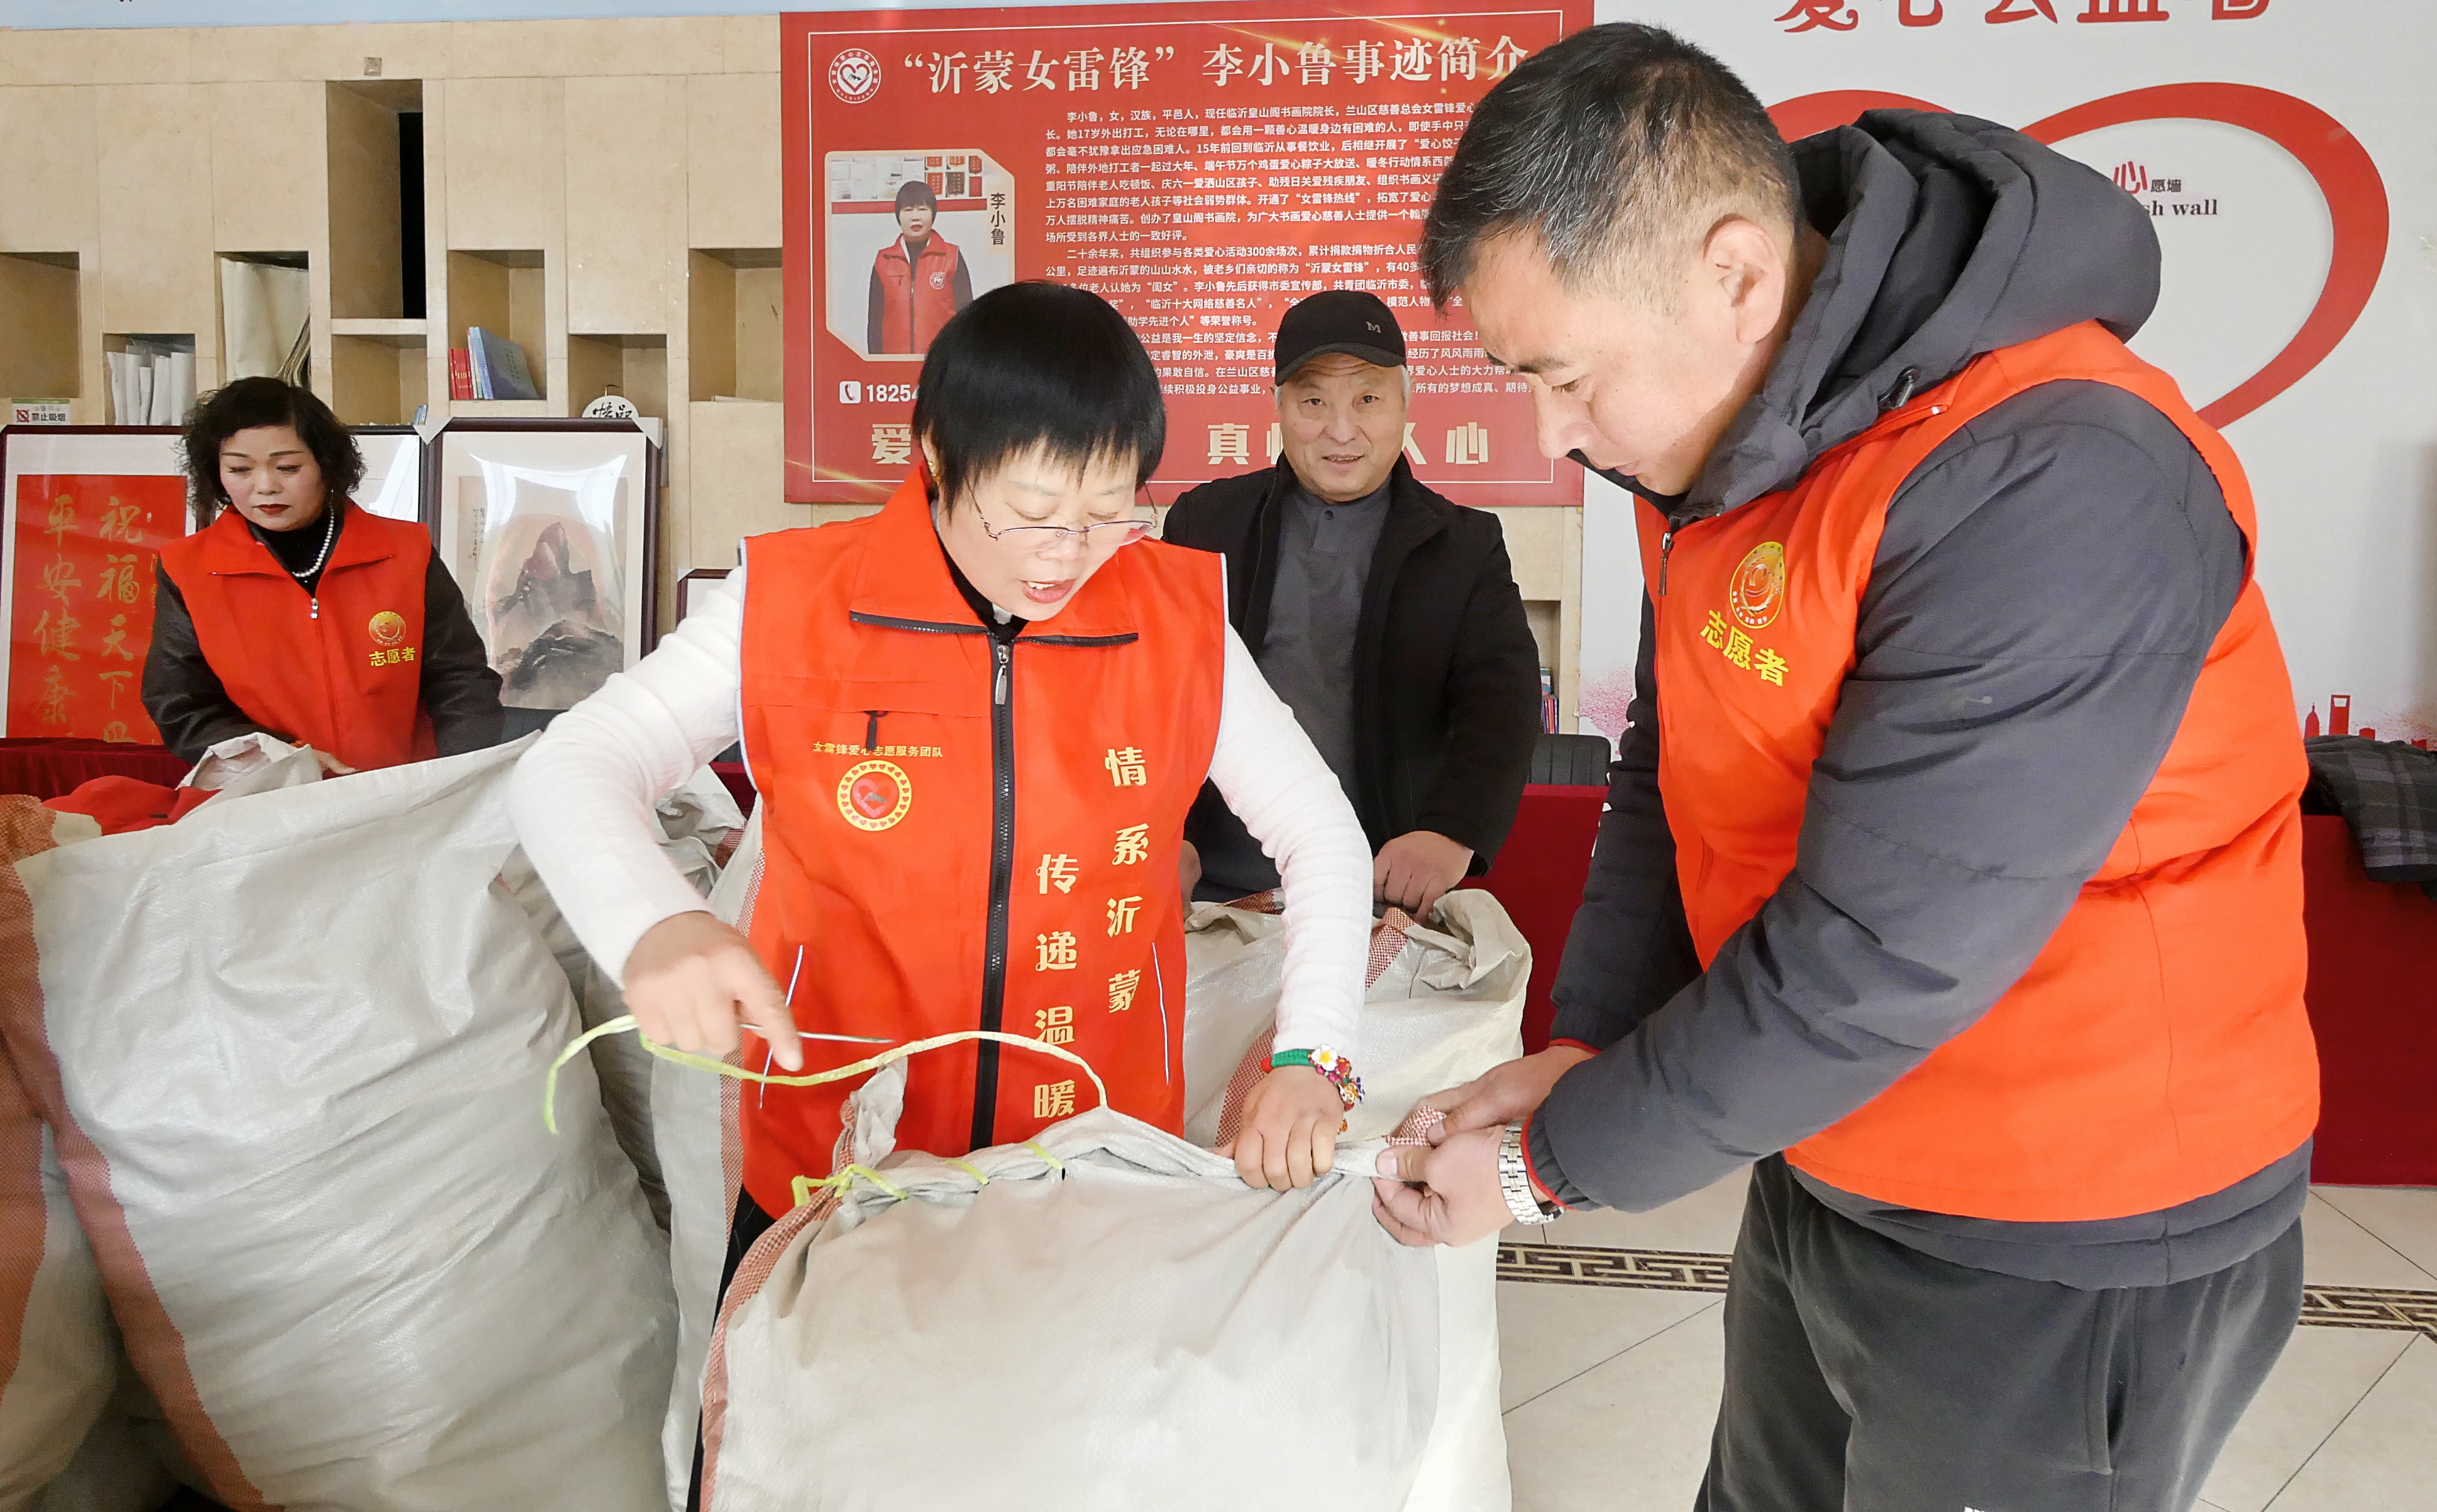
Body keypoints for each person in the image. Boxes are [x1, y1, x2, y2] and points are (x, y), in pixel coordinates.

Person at [1374, 25, 2317, 1512]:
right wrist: (1596, 1041)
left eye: (1564, 377)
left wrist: (1546, 1160)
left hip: (2064, 1220)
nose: (1552, 435)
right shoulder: (1732, 444)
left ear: (1738, 275)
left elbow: (1886, 948)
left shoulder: (2053, 469)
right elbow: (1672, 758)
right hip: (1832, 1143)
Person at [512, 279, 1371, 1332]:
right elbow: (574, 762)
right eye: (1033, 513)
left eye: (1109, 512)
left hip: (1090, 1161)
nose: (1068, 555)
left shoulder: (1175, 617)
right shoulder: (792, 603)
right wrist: (651, 920)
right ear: (935, 455)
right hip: (836, 1162)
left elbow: (1319, 832)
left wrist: (1313, 1055)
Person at [1162, 290, 1544, 920]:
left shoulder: (1463, 545)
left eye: (1368, 399)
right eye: (1314, 401)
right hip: (1213, 888)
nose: (1341, 431)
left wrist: (1451, 832)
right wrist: (1154, 830)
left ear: (1404, 404)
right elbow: (1151, 692)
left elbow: (1502, 701)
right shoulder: (1205, 523)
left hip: (1376, 892)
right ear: (1280, 406)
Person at [145, 377, 502, 773]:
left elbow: (460, 678)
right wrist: (283, 758)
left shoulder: (404, 551)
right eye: (240, 469)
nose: (266, 486)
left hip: (407, 790)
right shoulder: (188, 568)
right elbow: (181, 704)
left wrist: (458, 775)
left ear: (326, 463)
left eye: (288, 467)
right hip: (273, 794)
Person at [865, 179, 972, 356]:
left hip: (940, 361)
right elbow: (875, 323)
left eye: (922, 209)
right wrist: (877, 365)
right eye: (908, 210)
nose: (915, 217)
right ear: (898, 216)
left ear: (933, 214)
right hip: (895, 363)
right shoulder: (884, 261)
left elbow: (967, 319)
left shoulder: (952, 257)